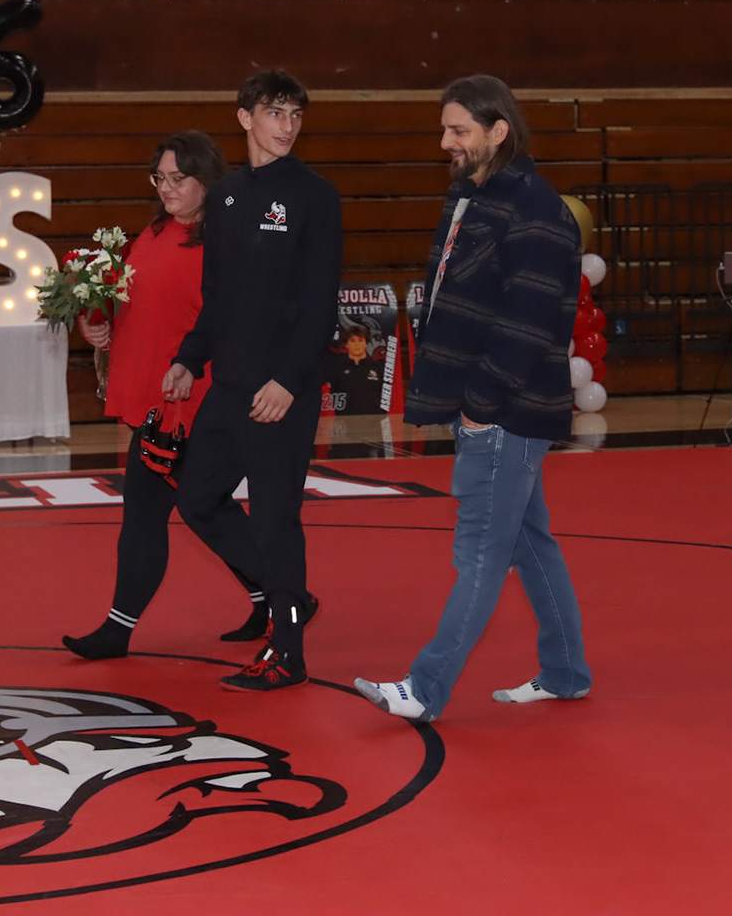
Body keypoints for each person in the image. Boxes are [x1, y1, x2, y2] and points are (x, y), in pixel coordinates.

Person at [355, 75, 591, 723]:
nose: (445, 142)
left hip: (503, 410)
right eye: (444, 129)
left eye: (459, 130)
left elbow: (529, 324)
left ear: (498, 131)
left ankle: (425, 689)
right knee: (528, 543)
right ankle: (566, 672)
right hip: (489, 406)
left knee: (481, 551)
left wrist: (479, 406)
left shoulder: (537, 211)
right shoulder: (473, 197)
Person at [162, 70, 342, 691]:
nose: (287, 126)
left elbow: (320, 303)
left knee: (274, 519)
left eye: (295, 114)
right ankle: (290, 597)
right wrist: (190, 358)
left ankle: (287, 652)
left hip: (282, 392)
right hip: (230, 386)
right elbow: (218, 295)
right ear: (245, 118)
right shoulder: (229, 197)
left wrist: (290, 381)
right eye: (274, 113)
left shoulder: (315, 197)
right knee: (197, 498)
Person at [62, 132, 273, 659]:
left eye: (179, 178)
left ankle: (120, 629)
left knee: (166, 512)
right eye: (159, 177)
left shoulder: (225, 241)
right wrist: (97, 324)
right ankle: (276, 595)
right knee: (200, 509)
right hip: (153, 397)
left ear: (207, 178)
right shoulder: (153, 232)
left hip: (194, 403)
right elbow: (135, 302)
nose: (166, 187)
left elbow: (237, 322)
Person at [326, 317, 386, 414]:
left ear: (366, 344)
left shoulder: (377, 368)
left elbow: (384, 397)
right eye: (353, 341)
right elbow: (332, 394)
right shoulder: (337, 369)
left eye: (360, 340)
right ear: (347, 345)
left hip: (374, 420)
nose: (357, 344)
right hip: (345, 420)